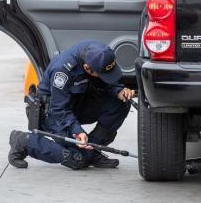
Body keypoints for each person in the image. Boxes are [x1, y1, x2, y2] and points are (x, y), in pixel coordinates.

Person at [8, 40, 135, 170]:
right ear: (87, 68)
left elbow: (106, 81)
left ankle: (91, 151)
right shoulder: (62, 71)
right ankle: (24, 141)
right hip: (53, 113)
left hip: (77, 103)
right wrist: (77, 131)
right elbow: (59, 110)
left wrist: (119, 91)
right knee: (77, 159)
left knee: (121, 103)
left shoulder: (98, 53)